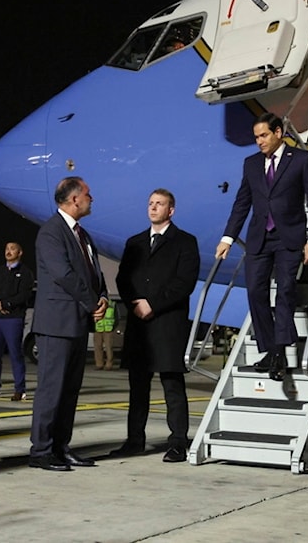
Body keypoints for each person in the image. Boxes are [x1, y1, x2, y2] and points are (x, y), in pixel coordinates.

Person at [215, 112, 308, 381]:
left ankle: (280, 353)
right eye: (256, 137)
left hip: (289, 237)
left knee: (285, 291)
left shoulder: (301, 160)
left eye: (263, 135)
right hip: (259, 237)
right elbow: (242, 203)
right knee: (254, 291)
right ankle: (273, 348)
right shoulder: (251, 164)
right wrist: (228, 237)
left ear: (278, 133)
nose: (259, 142)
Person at [112, 189, 200, 463]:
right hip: (140, 326)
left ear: (170, 210)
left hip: (167, 323)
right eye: (150, 203)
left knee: (172, 386)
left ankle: (177, 443)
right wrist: (135, 304)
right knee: (137, 388)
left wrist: (153, 304)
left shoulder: (185, 242)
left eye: (159, 204)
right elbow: (122, 278)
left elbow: (184, 283)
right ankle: (134, 440)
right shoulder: (135, 242)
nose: (153, 208)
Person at [29, 176, 108, 471]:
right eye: (88, 194)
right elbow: (63, 274)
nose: (92, 198)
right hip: (56, 324)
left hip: (76, 322)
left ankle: (61, 447)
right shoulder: (51, 233)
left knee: (70, 390)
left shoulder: (82, 234)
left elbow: (92, 273)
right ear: (74, 199)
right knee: (51, 389)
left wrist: (100, 297)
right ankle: (41, 451)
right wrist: (91, 302)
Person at [0, 241, 34, 401]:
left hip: (13, 318)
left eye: (12, 249)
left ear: (20, 252)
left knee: (15, 354)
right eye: (7, 249)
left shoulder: (25, 273)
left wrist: (5, 304)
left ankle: (19, 389)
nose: (9, 252)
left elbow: (24, 295)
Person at [93, 303, 116, 370]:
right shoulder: (95, 303)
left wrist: (112, 327)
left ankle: (109, 365)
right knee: (98, 347)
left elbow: (116, 317)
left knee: (109, 347)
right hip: (97, 329)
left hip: (108, 330)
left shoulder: (112, 304)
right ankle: (99, 364)